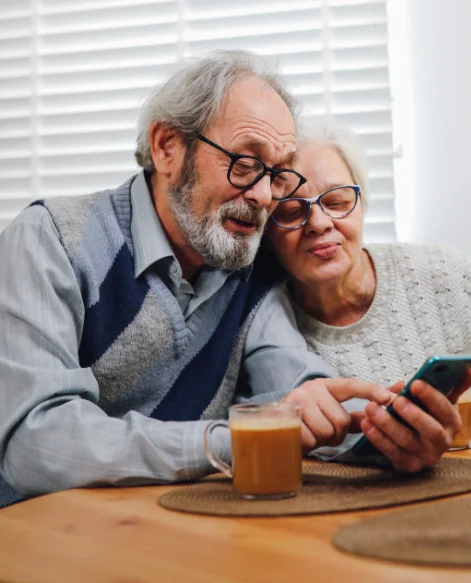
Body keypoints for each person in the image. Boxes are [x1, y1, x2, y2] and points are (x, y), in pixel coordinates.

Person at [0, 51, 401, 508]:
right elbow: (35, 442)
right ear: (167, 146)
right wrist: (230, 441)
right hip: (37, 542)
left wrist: (385, 433)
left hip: (182, 541)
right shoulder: (48, 240)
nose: (265, 196)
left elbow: (299, 394)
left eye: (277, 173)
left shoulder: (249, 267)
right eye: (246, 164)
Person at [242, 117, 471, 470]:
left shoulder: (449, 275)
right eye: (293, 211)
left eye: (338, 201)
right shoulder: (262, 330)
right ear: (267, 231)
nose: (320, 223)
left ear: (363, 204)